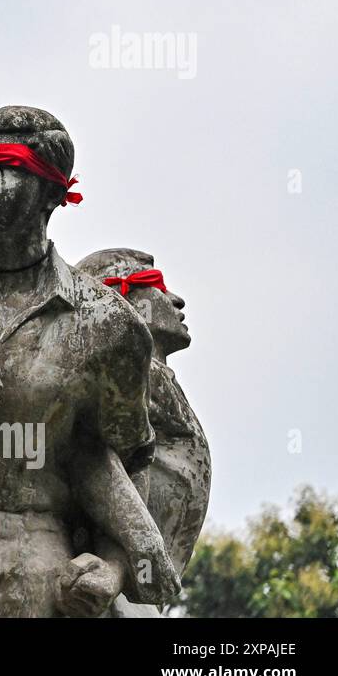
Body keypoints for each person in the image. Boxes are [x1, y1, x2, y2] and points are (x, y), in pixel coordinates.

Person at [0, 106, 176, 617]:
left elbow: (113, 457)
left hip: (41, 544)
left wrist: (115, 563)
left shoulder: (109, 325)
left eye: (8, 165)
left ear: (55, 193)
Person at [76, 249, 210, 581]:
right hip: (121, 566)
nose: (176, 300)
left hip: (145, 575)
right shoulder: (128, 376)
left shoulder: (156, 377)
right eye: (159, 287)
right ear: (123, 301)